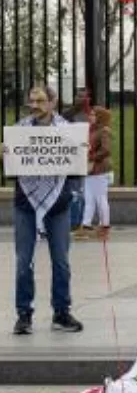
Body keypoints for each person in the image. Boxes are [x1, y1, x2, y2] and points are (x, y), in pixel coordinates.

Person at [12, 85, 82, 335]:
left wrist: (74, 192)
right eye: (32, 100)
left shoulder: (67, 131)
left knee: (61, 262)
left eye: (41, 101)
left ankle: (61, 312)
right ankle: (24, 315)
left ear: (53, 103)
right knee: (23, 262)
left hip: (58, 204)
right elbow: (13, 171)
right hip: (25, 204)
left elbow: (76, 167)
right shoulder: (18, 131)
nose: (35, 105)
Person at [78, 106, 113, 241]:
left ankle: (105, 226)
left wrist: (90, 157)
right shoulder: (93, 130)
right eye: (90, 114)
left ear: (100, 117)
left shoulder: (103, 131)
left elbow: (106, 150)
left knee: (100, 198)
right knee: (90, 199)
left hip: (99, 169)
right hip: (92, 170)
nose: (90, 116)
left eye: (94, 115)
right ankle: (86, 226)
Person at [64, 88, 93, 238]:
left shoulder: (90, 115)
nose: (81, 99)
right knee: (74, 192)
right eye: (79, 96)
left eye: (84, 96)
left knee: (83, 193)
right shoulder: (67, 115)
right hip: (71, 159)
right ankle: (73, 225)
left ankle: (80, 223)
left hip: (86, 158)